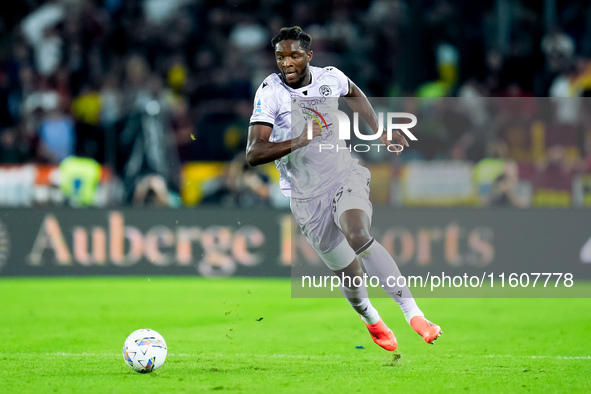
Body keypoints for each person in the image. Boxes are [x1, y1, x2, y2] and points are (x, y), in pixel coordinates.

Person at [246, 26, 441, 351]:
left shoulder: (330, 77)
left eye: (294, 55)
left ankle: (414, 314)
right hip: (307, 198)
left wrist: (379, 131)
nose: (287, 63)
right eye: (281, 56)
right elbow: (253, 153)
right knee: (350, 275)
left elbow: (354, 93)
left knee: (358, 233)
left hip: (344, 176)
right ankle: (370, 317)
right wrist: (300, 140)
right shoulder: (270, 93)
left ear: (309, 55)